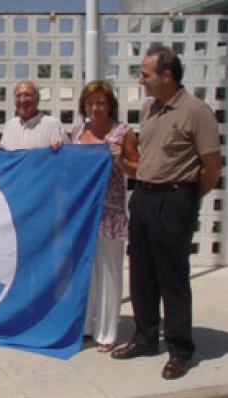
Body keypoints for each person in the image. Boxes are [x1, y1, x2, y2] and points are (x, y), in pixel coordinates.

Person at [111, 47, 221, 380]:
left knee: (172, 278)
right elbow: (148, 159)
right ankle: (145, 338)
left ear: (167, 76)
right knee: (142, 275)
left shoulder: (197, 112)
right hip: (143, 198)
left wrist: (186, 197)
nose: (140, 80)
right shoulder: (149, 109)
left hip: (175, 200)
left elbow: (212, 169)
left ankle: (179, 348)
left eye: (145, 74)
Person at [72, 80, 139, 352]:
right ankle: (87, 327)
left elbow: (138, 168)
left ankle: (107, 333)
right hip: (83, 214)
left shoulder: (124, 132)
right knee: (85, 274)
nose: (95, 107)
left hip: (109, 212)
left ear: (110, 104)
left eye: (101, 102)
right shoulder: (77, 132)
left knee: (109, 273)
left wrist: (121, 158)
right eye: (90, 103)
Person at [0, 80, 68, 150]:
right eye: (18, 96)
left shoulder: (53, 124)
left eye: (27, 95)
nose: (22, 100)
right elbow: (3, 156)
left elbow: (67, 154)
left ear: (38, 99)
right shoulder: (10, 125)